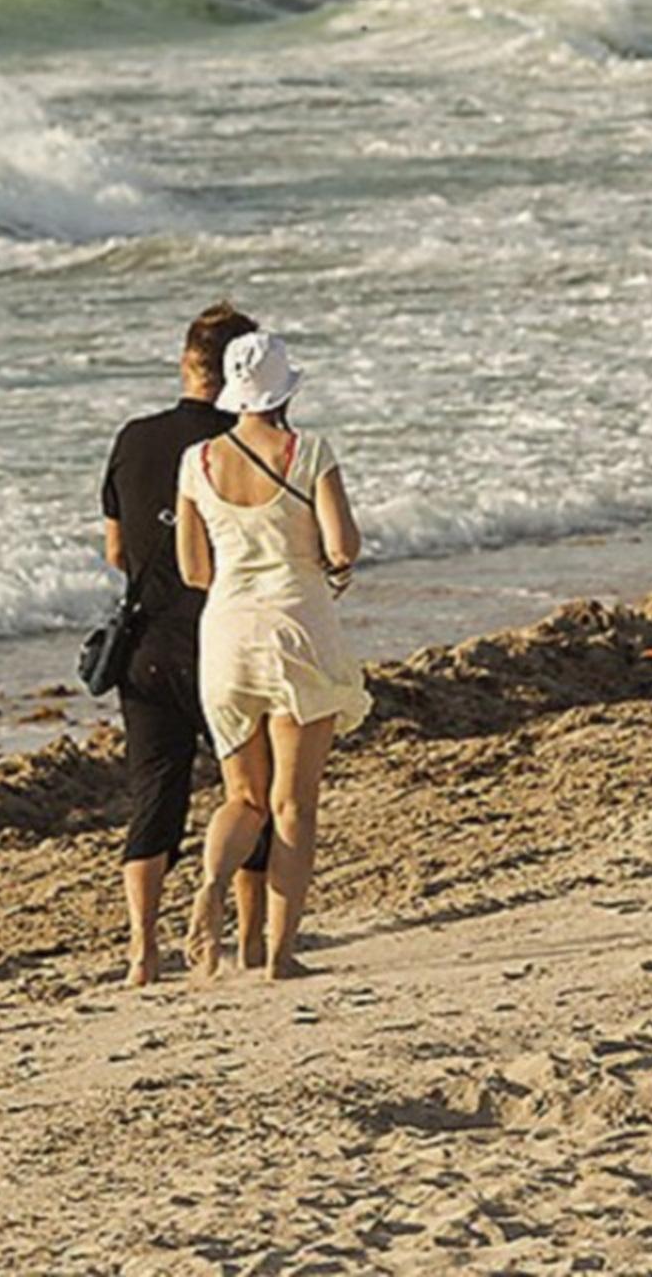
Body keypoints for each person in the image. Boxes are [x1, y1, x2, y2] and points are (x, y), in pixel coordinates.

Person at [172, 327, 367, 981]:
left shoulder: (196, 461)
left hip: (224, 635)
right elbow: (343, 545)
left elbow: (193, 568)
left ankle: (209, 888)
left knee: (242, 798)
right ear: (284, 391)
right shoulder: (308, 450)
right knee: (292, 806)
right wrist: (322, 561)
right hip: (297, 631)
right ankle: (281, 955)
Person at [96, 299, 265, 987]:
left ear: (184, 365)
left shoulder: (132, 438)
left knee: (153, 796)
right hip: (225, 639)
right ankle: (250, 943)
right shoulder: (249, 444)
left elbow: (116, 552)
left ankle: (143, 951)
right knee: (251, 793)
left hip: (147, 647)